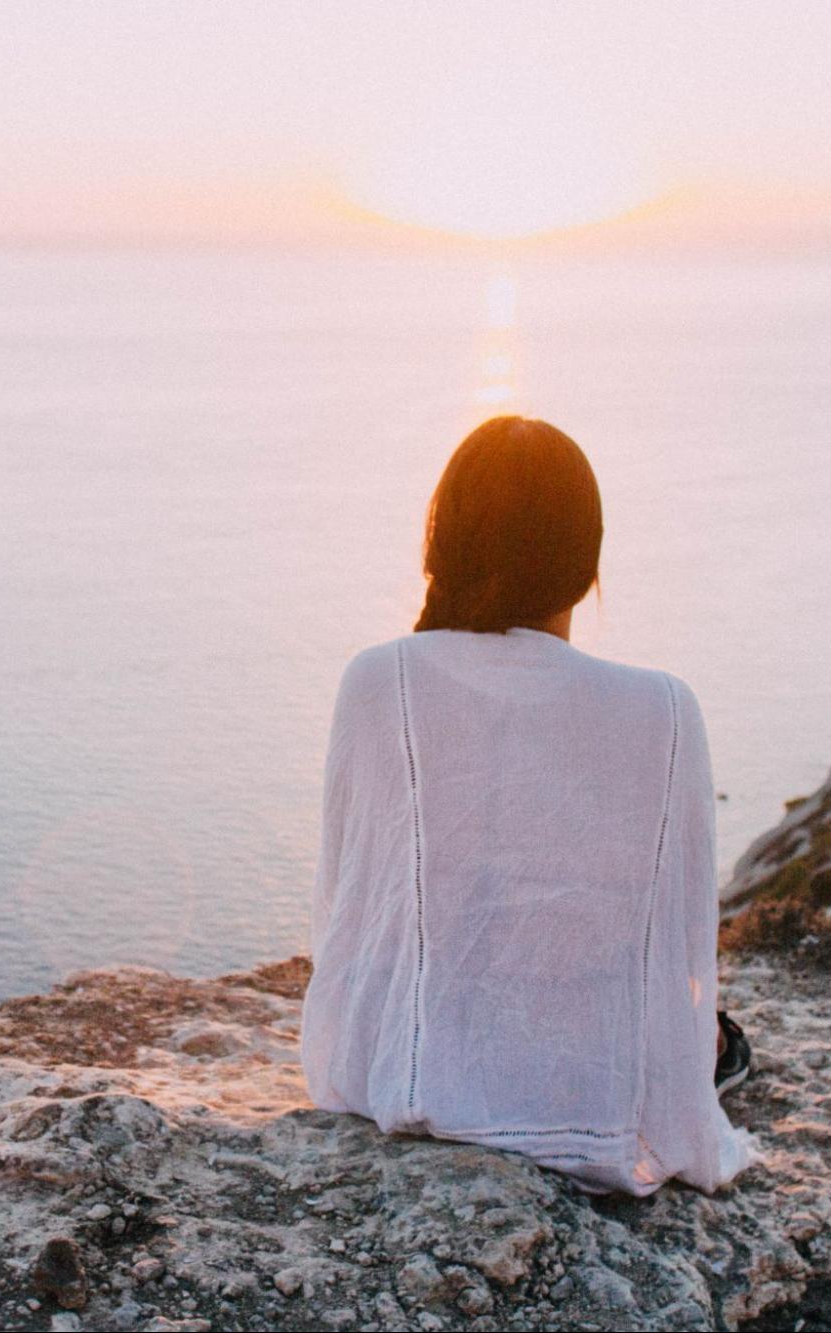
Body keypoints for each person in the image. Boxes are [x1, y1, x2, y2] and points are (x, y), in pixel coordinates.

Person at [300, 416, 755, 1195]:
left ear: (440, 543)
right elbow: (680, 942)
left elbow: (348, 915)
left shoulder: (377, 681)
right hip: (592, 1087)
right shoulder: (665, 709)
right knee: (710, 1038)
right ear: (583, 564)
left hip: (409, 1074)